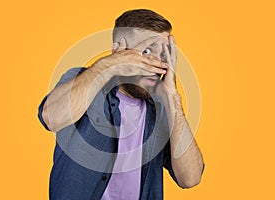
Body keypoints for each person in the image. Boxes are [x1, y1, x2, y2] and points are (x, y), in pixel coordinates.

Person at [38, 9, 204, 200]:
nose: (156, 64)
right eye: (147, 51)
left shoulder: (161, 106)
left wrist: (172, 98)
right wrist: (109, 65)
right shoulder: (82, 80)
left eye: (164, 55)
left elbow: (190, 178)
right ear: (119, 50)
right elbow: (52, 118)